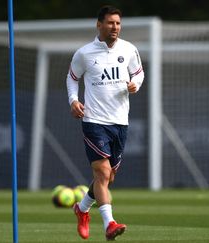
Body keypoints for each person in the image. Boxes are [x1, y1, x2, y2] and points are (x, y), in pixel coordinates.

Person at [66, 5, 144, 241]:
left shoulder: (129, 49)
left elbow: (139, 73)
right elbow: (72, 78)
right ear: (99, 25)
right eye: (110, 23)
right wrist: (73, 100)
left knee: (108, 177)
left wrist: (135, 84)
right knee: (102, 173)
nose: (115, 27)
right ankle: (109, 224)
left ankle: (81, 208)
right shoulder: (84, 53)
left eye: (118, 23)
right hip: (94, 120)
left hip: (120, 122)